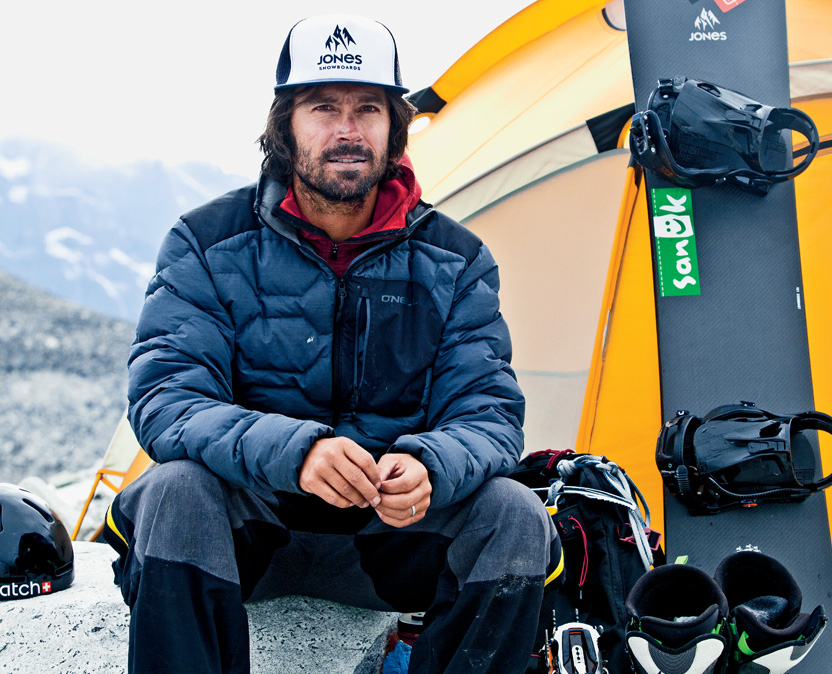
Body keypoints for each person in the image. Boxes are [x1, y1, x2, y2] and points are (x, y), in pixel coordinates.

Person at [102, 14, 561, 674]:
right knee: (174, 490)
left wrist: (429, 465)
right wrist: (296, 452)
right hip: (248, 529)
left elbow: (488, 414)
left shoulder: (456, 260)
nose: (347, 130)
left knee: (514, 514)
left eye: (367, 108)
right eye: (323, 107)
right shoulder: (206, 242)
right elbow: (167, 400)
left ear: (394, 128)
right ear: (284, 125)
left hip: (391, 537)